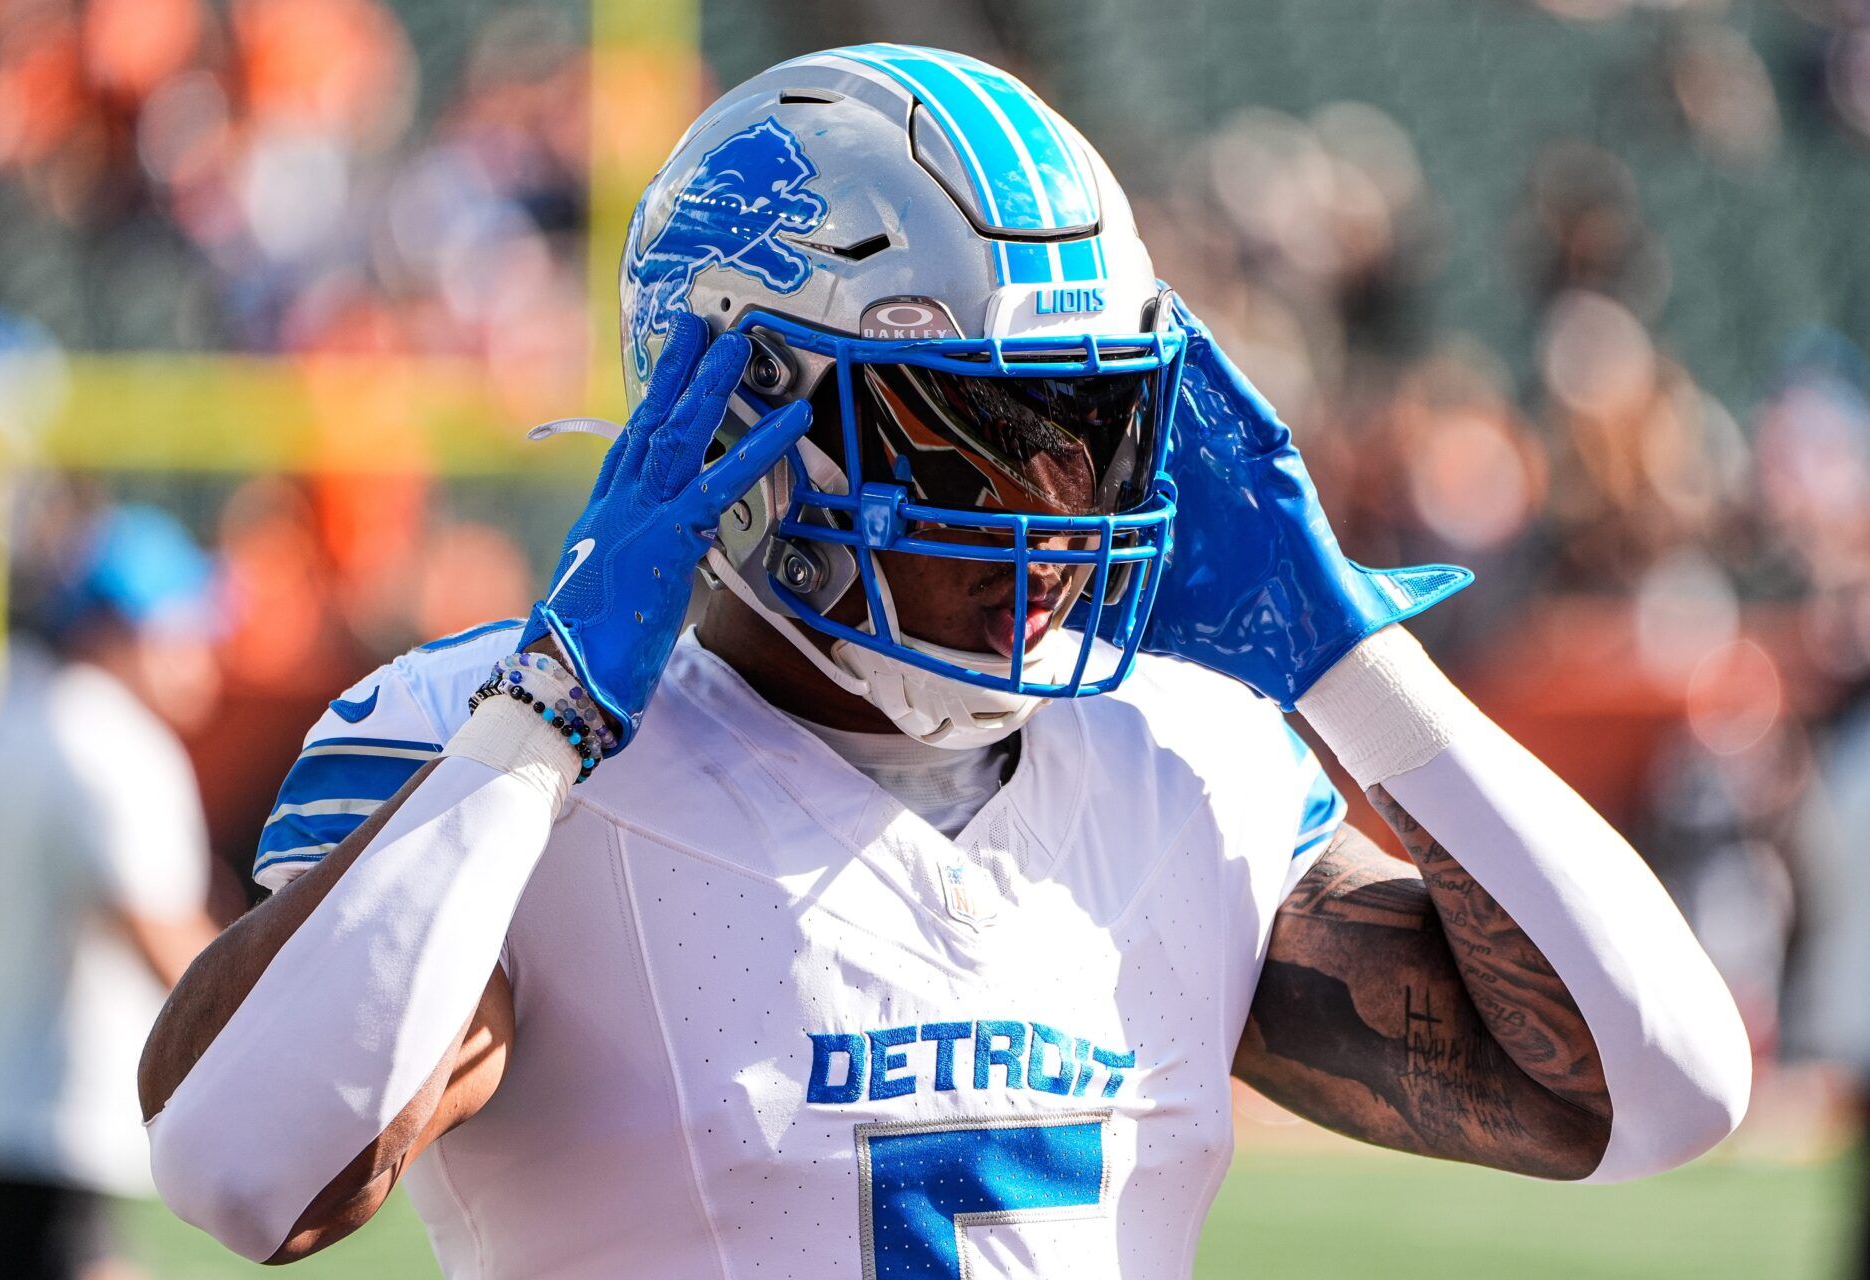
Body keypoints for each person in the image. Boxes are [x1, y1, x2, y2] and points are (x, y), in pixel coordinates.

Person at [139, 46, 1750, 1276]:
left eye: (1095, 428)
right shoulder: (495, 749)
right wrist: (539, 729)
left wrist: (1351, 672)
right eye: (980, 439)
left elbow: (1657, 1092)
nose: (1055, 516)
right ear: (748, 419)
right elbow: (247, 1176)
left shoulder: (1182, 756)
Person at [0, 504, 221, 1280]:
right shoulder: (114, 747)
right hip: (66, 1107)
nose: (205, 650)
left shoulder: (0, 728)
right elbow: (164, 940)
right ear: (124, 627)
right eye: (188, 624)